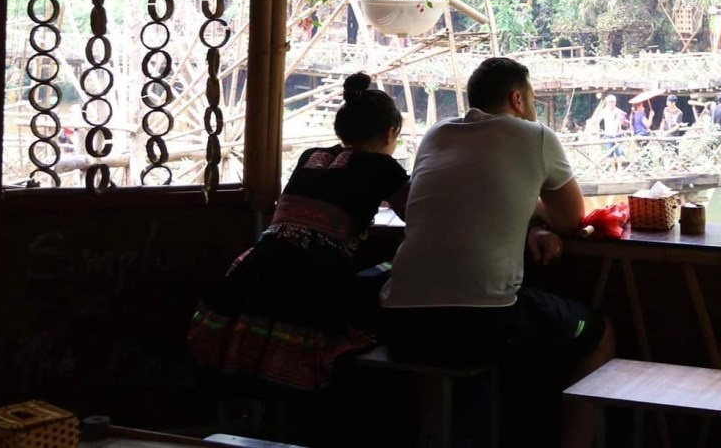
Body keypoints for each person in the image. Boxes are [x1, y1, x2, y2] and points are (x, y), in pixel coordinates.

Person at [382, 58, 614, 448]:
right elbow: (571, 219)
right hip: (484, 327)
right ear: (517, 99)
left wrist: (531, 224)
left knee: (435, 341)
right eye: (533, 99)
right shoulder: (536, 136)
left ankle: (432, 435)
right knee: (598, 333)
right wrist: (541, 218)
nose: (534, 107)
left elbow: (470, 201)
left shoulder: (436, 134)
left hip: (402, 324)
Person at [188, 73, 408, 397]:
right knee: (385, 283)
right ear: (390, 134)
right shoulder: (384, 168)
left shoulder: (310, 156)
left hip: (261, 265)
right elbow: (417, 214)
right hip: (316, 274)